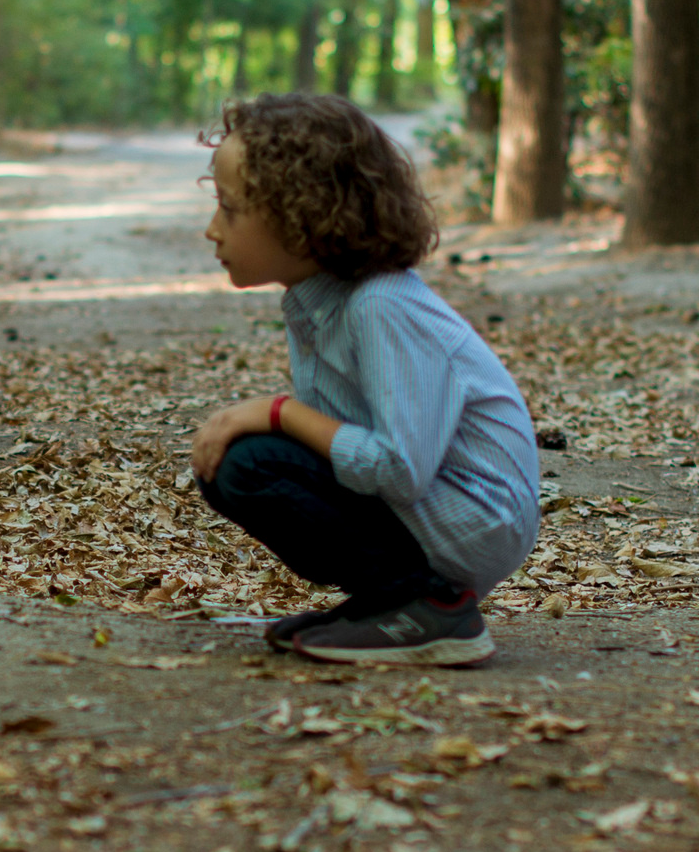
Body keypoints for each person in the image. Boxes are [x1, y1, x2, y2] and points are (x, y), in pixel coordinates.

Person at [188, 93, 538, 666]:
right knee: (235, 462)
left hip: (473, 516)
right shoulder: (318, 304)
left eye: (229, 209)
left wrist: (277, 412)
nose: (211, 230)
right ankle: (391, 602)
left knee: (250, 463)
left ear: (298, 217)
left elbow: (398, 468)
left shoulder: (382, 307)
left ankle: (430, 606)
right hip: (431, 509)